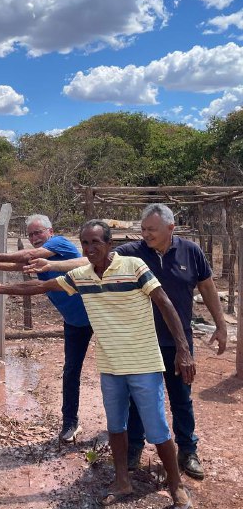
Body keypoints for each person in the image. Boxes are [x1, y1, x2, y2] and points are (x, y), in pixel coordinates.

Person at [0, 220, 197, 509]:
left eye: (96, 242)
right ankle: (122, 480)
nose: (90, 248)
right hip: (110, 366)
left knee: (158, 429)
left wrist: (183, 349)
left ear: (108, 244)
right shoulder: (81, 276)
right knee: (116, 426)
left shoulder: (133, 266)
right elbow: (41, 286)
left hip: (144, 362)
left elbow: (165, 303)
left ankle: (177, 487)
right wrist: (2, 288)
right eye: (86, 243)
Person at [27, 204, 227, 481]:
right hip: (141, 342)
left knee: (181, 397)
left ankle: (188, 451)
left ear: (171, 228)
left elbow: (206, 286)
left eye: (151, 230)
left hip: (176, 340)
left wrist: (220, 325)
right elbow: (91, 260)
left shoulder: (190, 251)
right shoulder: (134, 252)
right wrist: (52, 265)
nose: (145, 234)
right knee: (134, 401)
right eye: (143, 229)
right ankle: (133, 449)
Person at [0, 214, 92, 443]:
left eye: (38, 232)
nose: (34, 238)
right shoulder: (42, 259)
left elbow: (28, 256)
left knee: (119, 369)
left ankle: (131, 427)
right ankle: (70, 423)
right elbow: (22, 269)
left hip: (99, 315)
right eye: (31, 234)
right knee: (71, 372)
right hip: (75, 321)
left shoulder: (58, 243)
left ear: (50, 232)